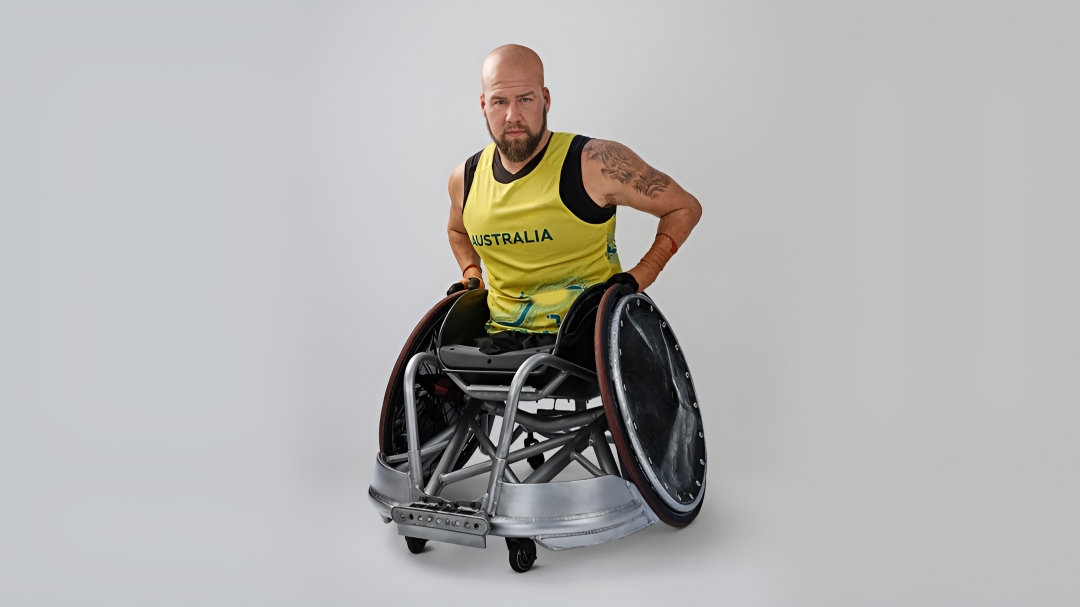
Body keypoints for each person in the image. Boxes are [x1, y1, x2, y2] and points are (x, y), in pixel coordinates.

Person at [445, 44, 701, 353]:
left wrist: (640, 276)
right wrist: (472, 273)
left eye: (525, 99)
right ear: (484, 105)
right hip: (499, 343)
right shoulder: (466, 179)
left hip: (587, 341)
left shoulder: (595, 163)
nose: (512, 116)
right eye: (500, 102)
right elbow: (458, 230)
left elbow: (684, 207)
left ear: (546, 100)